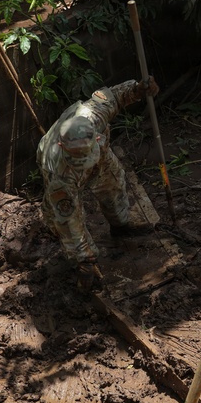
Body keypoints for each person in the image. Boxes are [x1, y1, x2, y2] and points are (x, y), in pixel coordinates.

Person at [38, 77, 159, 287]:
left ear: (95, 137)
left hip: (99, 157)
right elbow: (70, 221)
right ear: (62, 145)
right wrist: (86, 260)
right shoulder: (59, 176)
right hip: (64, 175)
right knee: (59, 216)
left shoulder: (94, 114)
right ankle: (81, 258)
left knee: (114, 181)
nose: (83, 165)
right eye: (79, 161)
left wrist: (138, 89)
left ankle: (121, 224)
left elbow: (116, 96)